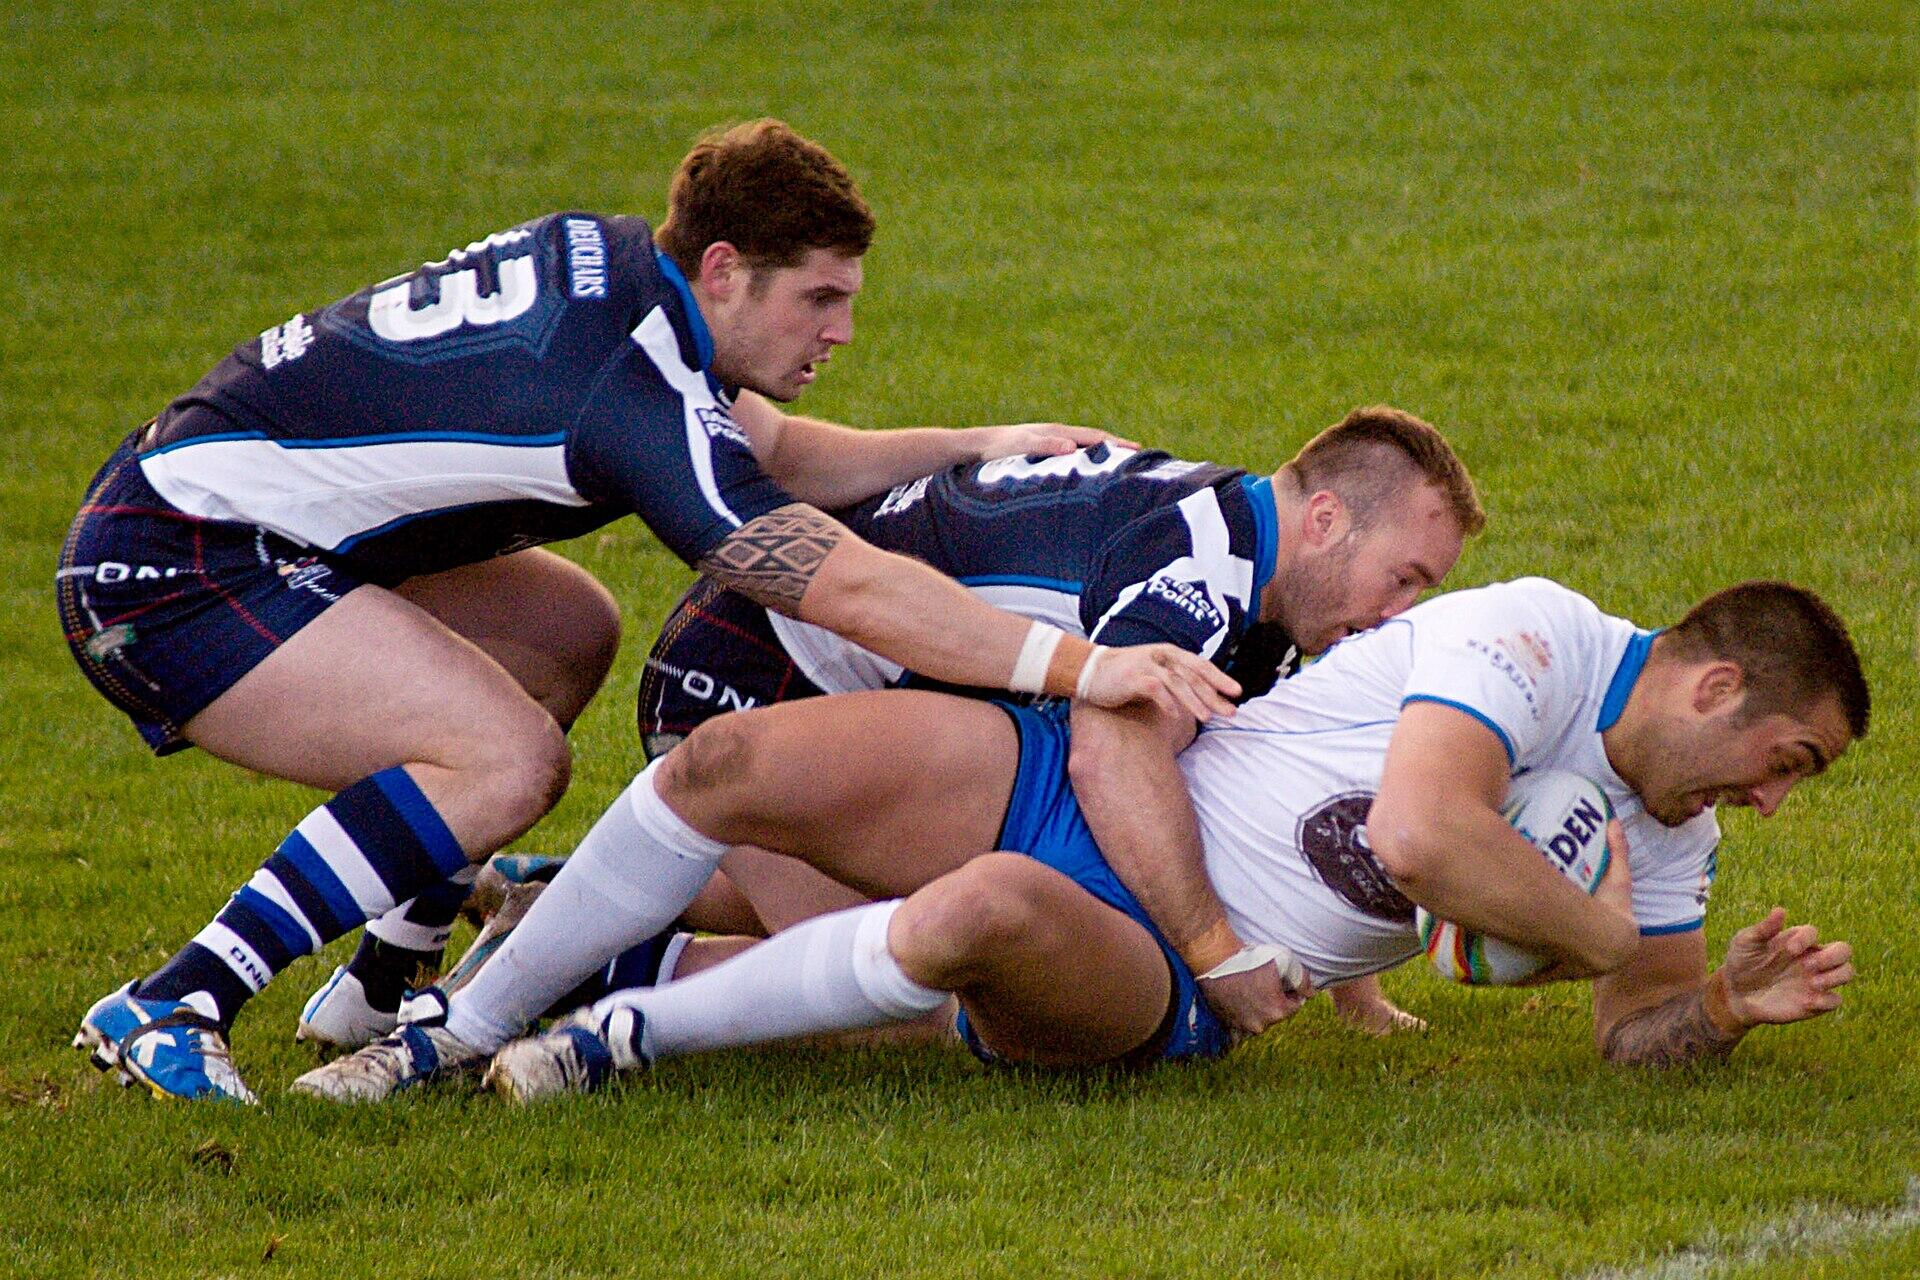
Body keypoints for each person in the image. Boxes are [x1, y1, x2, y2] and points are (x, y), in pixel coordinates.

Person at [60, 119, 1237, 1103]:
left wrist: (978, 443)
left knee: (568, 630)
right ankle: (171, 1001)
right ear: (725, 269)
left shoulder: (629, 276)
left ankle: (380, 979)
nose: (841, 329)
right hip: (177, 563)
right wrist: (1085, 667)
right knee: (506, 757)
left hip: (222, 512)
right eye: (819, 297)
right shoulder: (627, 391)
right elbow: (852, 588)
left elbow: (763, 450)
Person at [431, 575, 1863, 1099]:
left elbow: (1634, 1035)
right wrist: (1602, 934)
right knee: (729, 764)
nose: (1773, 800)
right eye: (1783, 761)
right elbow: (1422, 838)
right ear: (1717, 688)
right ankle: (458, 1015)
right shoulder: (1536, 635)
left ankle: (613, 1025)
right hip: (1093, 787)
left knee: (976, 915)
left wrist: (1720, 1004)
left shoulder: (1669, 829)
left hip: (1171, 978)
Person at [390, 404, 1483, 1054]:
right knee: (923, 978)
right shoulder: (1199, 572)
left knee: (988, 908)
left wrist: (1356, 987)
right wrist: (1215, 952)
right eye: (1405, 576)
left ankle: (562, 896)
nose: (1397, 613)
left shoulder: (1266, 572)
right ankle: (575, 965)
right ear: (1329, 519)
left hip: (857, 678)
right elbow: (1112, 750)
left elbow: (1257, 786)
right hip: (747, 681)